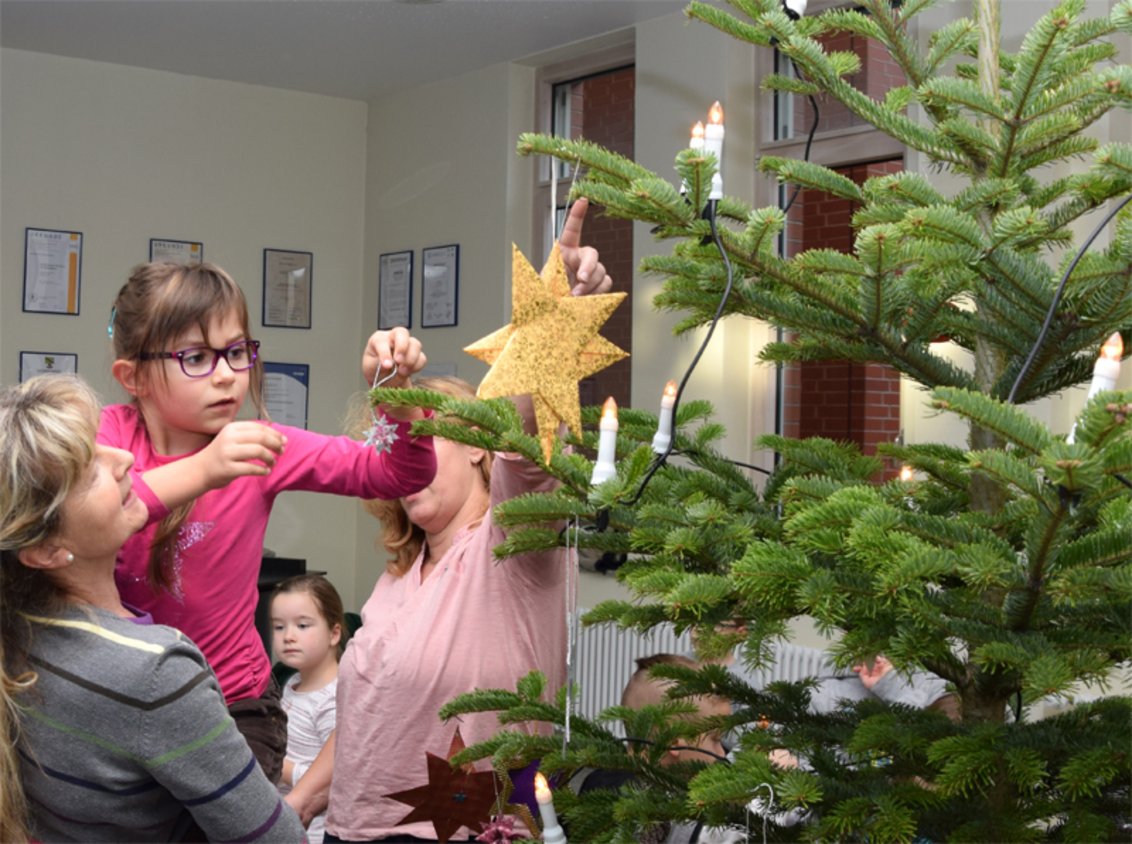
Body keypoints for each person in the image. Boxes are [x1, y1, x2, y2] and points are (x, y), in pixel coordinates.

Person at [286, 198, 611, 841]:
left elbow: (531, 444)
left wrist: (553, 325)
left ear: (476, 447)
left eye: (425, 441)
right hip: (352, 830)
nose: (408, 462)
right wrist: (295, 804)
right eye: (398, 448)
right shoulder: (402, 574)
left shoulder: (515, 546)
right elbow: (367, 719)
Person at [101, 260, 436, 782]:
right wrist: (204, 470)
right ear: (134, 376)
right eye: (195, 357)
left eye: (236, 352)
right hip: (123, 704)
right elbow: (84, 516)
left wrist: (395, 395)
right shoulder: (106, 440)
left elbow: (397, 472)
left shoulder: (262, 446)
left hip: (234, 706)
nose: (225, 374)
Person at [0, 374, 306, 842]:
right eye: (91, 471)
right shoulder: (155, 674)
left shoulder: (21, 635)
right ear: (45, 551)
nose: (124, 458)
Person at [571, 654, 742, 844]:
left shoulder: (597, 781)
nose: (721, 754)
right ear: (673, 745)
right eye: (715, 740)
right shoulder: (639, 805)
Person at [272, 575, 346, 844]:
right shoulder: (292, 682)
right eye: (279, 627)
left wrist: (277, 766)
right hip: (284, 819)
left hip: (314, 833)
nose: (288, 636)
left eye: (302, 625)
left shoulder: (335, 697)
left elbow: (337, 778)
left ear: (334, 633)